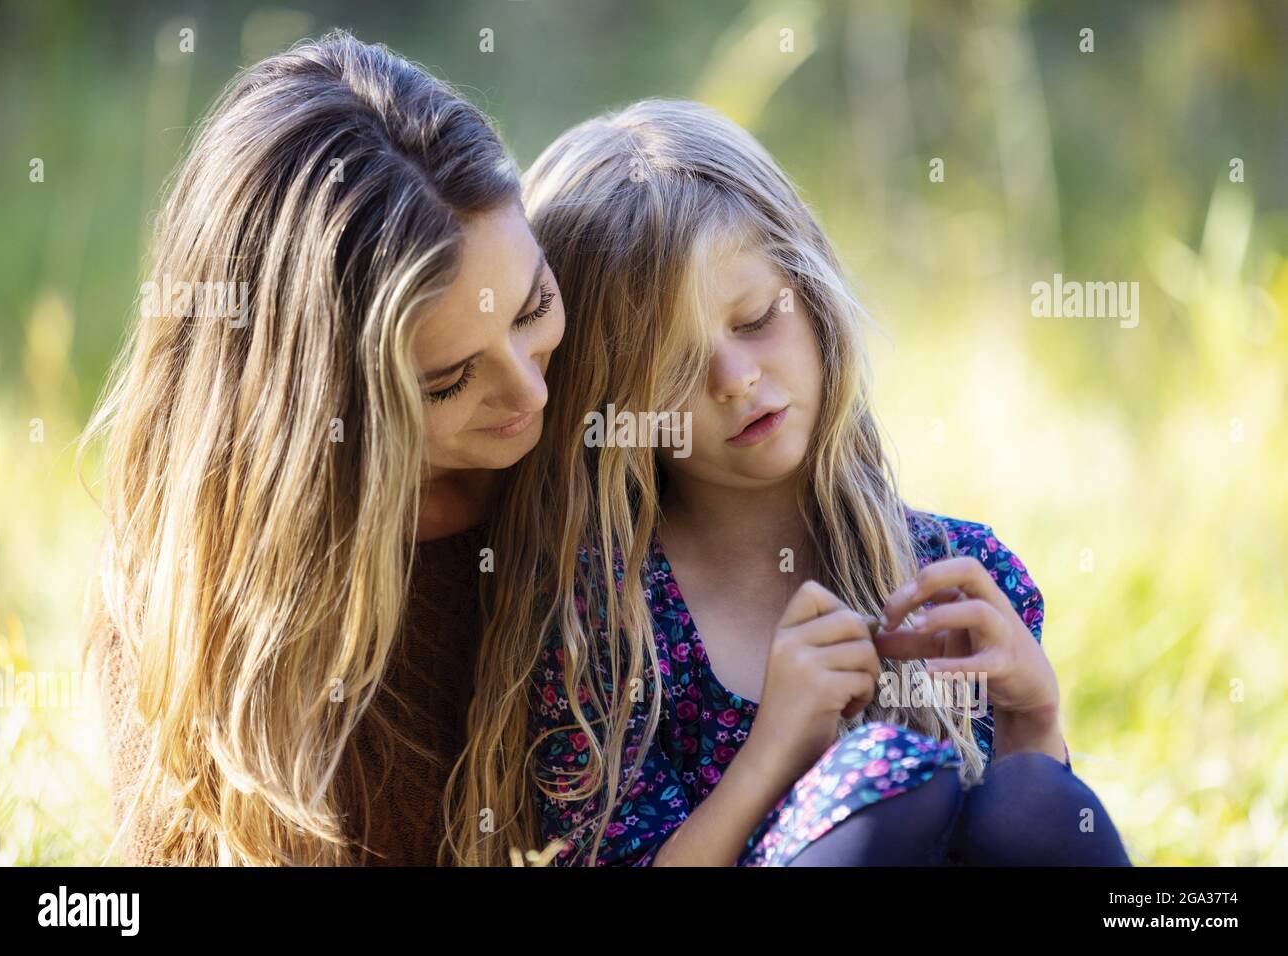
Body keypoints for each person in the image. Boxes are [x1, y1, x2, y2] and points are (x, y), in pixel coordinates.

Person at [450, 99, 1130, 867]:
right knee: (891, 788)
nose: (737, 381)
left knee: (1033, 797)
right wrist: (774, 750)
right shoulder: (600, 626)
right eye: (674, 370)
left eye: (753, 321)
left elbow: (1026, 838)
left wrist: (1033, 719)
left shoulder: (958, 575)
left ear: (810, 293)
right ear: (612, 406)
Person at [81, 30, 564, 866]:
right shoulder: (205, 593)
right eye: (448, 379)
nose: (532, 394)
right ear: (313, 409)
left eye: (533, 309)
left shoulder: (609, 416)